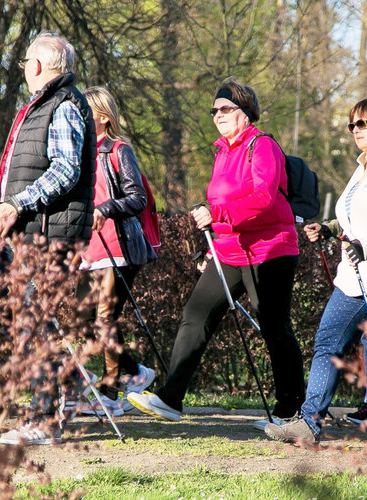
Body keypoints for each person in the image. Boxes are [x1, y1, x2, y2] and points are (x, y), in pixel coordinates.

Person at [128, 79, 306, 426]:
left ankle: (292, 410)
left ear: (246, 113)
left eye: (225, 109)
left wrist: (218, 216)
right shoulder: (222, 151)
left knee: (274, 327)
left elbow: (263, 198)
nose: (218, 115)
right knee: (195, 316)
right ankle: (171, 398)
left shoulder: (263, 146)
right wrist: (215, 238)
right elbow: (223, 202)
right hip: (228, 251)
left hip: (269, 251)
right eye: (214, 110)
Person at [264, 96, 367, 444]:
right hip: (355, 279)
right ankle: (308, 423)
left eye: (363, 123)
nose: (355, 130)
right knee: (327, 343)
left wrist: (365, 245)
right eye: (352, 124)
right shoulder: (364, 165)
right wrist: (329, 228)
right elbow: (357, 213)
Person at [0, 33, 97, 446]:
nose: (22, 68)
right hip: (30, 233)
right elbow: (23, 169)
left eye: (24, 62)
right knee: (14, 317)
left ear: (37, 65)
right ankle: (69, 388)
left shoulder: (65, 105)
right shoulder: (38, 107)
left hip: (51, 234)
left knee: (32, 324)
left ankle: (43, 420)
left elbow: (65, 170)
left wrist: (17, 204)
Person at [74, 86, 156, 417]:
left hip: (118, 244)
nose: (80, 119)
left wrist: (106, 209)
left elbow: (138, 198)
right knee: (83, 320)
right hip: (88, 249)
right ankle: (135, 371)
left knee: (106, 317)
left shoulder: (119, 151)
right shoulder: (78, 154)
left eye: (86, 113)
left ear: (104, 118)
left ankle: (110, 394)